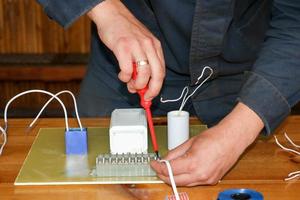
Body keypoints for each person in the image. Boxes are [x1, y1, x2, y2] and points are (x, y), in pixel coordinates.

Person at [37, 0, 300, 186]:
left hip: (249, 80)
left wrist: (237, 133)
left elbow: (295, 23)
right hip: (122, 70)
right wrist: (107, 10)